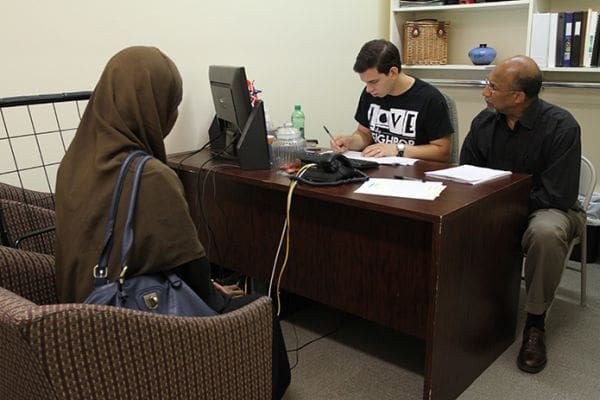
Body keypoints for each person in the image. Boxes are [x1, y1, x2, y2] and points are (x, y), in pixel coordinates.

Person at [54, 46, 290, 398]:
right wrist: (213, 289)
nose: (174, 114)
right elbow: (192, 270)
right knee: (258, 307)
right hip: (129, 325)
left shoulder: (76, 159)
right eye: (172, 103)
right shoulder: (149, 177)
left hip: (76, 313)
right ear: (153, 108)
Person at [460, 55, 585, 374]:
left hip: (549, 209)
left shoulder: (562, 126)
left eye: (492, 86)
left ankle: (535, 323)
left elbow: (559, 194)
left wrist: (504, 210)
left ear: (517, 97)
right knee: (453, 221)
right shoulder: (483, 122)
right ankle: (473, 307)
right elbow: (466, 173)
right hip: (496, 205)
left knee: (545, 233)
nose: (485, 92)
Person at [330, 39, 454, 162]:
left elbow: (442, 151)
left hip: (415, 174)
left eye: (373, 81)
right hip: (376, 171)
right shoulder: (371, 93)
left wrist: (398, 149)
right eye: (366, 82)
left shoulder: (430, 99)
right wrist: (349, 141)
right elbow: (364, 134)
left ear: (393, 72)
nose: (368, 89)